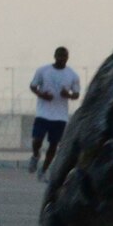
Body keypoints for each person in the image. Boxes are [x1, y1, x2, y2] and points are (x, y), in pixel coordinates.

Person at [27, 47, 82, 180]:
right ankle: (35, 155)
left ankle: (43, 170)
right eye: (60, 56)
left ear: (67, 58)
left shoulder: (72, 75)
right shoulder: (43, 70)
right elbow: (33, 86)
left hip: (60, 116)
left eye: (65, 57)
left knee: (53, 145)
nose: (62, 59)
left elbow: (76, 94)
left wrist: (67, 95)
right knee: (37, 140)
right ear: (55, 56)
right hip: (43, 113)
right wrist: (41, 95)